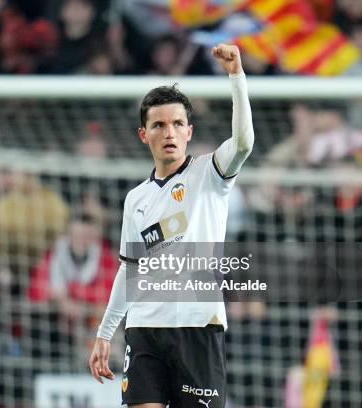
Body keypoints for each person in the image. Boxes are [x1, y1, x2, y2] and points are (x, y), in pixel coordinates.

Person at [88, 44, 254, 408]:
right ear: (143, 135)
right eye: (159, 125)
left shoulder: (210, 174)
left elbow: (243, 143)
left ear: (189, 131)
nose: (169, 132)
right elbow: (128, 270)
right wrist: (105, 333)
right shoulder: (136, 199)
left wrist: (236, 77)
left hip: (198, 327)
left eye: (178, 124)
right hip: (145, 329)